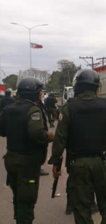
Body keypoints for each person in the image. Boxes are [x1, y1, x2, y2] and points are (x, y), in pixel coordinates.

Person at [48, 69, 106, 224]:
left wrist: (56, 163)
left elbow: (60, 139)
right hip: (103, 162)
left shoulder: (68, 108)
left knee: (81, 207)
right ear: (96, 87)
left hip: (78, 164)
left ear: (77, 86)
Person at [0, 77, 54, 224]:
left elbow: (2, 131)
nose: (41, 94)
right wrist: (48, 137)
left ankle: (19, 219)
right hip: (27, 165)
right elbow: (36, 133)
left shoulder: (8, 109)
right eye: (39, 92)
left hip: (11, 160)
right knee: (27, 200)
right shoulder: (33, 110)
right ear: (33, 93)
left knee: (18, 194)